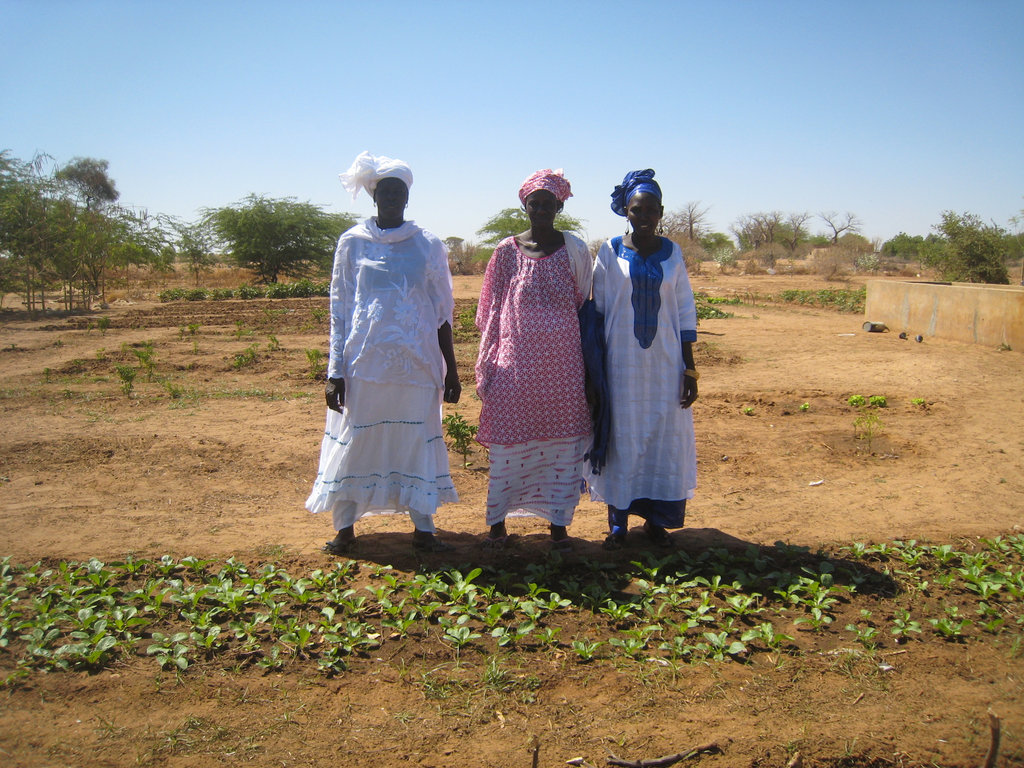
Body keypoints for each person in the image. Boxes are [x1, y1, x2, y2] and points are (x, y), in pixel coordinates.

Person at [306, 151, 462, 555]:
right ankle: (344, 529)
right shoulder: (352, 243)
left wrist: (451, 369)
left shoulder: (427, 245)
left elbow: (442, 312)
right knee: (357, 441)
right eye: (385, 190)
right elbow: (340, 311)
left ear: (407, 197)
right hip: (364, 366)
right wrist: (334, 370)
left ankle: (424, 529)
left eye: (399, 191)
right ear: (375, 196)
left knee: (415, 440)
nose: (392, 197)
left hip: (417, 364)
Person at [475, 169, 593, 551]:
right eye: (534, 203)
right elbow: (489, 309)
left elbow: (586, 304)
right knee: (509, 449)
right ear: (524, 206)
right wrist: (489, 358)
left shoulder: (575, 249)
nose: (541, 209)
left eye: (548, 203)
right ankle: (497, 525)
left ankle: (558, 527)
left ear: (559, 206)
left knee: (563, 449)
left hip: (563, 371)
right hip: (514, 370)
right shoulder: (505, 252)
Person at [586, 169, 699, 550]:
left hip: (666, 365)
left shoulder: (673, 253)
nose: (645, 216)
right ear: (626, 212)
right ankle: (617, 522)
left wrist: (690, 368)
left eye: (652, 210)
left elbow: (684, 310)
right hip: (621, 365)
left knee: (663, 438)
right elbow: (598, 310)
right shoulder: (609, 250)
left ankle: (656, 521)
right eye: (637, 210)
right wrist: (595, 372)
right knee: (625, 437)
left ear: (661, 212)